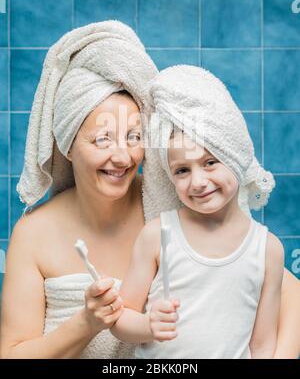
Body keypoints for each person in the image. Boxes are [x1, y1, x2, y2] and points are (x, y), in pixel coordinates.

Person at [1, 28, 300, 358]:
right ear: (68, 146)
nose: (123, 157)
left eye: (134, 137)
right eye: (103, 140)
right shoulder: (33, 234)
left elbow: (288, 293)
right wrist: (86, 322)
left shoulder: (171, 202)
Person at [110, 65, 295, 359]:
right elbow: (121, 320)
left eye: (210, 162)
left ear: (234, 155)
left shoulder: (267, 250)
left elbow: (262, 345)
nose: (197, 182)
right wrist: (147, 325)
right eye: (182, 170)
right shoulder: (157, 235)